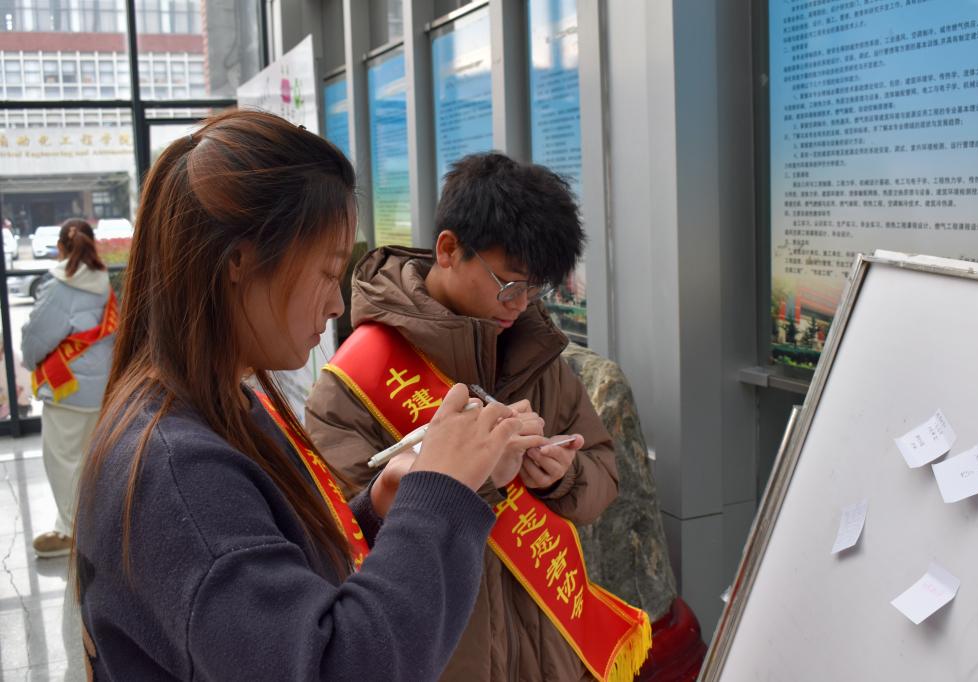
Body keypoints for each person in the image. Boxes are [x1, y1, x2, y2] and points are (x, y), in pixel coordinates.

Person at [73, 110, 532, 680]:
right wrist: (441, 493)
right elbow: (333, 665)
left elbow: (275, 595)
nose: (337, 304)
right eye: (327, 272)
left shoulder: (217, 406)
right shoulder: (177, 472)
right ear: (239, 260)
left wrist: (378, 509)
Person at [306, 153, 648, 682]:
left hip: (547, 658)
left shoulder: (537, 358)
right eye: (509, 284)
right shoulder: (354, 381)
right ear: (448, 249)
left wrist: (563, 476)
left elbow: (603, 470)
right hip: (442, 658)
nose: (520, 305)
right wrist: (478, 476)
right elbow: (342, 535)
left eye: (534, 289)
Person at [21, 218, 115, 558]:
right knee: (93, 461)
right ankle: (97, 527)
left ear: (61, 247)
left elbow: (36, 337)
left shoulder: (59, 285)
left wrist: (30, 360)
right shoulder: (104, 282)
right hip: (102, 388)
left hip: (68, 390)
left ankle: (72, 533)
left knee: (62, 461)